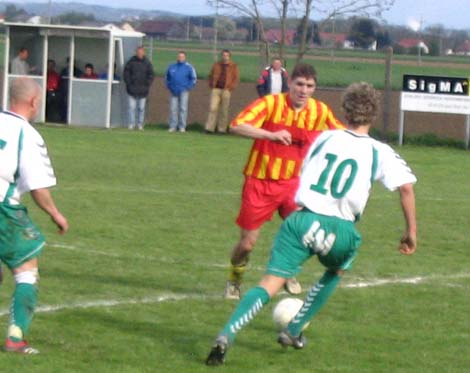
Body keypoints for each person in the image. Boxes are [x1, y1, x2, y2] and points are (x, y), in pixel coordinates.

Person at [206, 82, 418, 366]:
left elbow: (305, 170)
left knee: (270, 283)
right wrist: (410, 232)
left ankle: (226, 334)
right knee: (338, 268)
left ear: (345, 110)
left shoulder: (325, 138)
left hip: (301, 220)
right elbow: (405, 189)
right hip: (341, 229)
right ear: (375, 115)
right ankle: (294, 330)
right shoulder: (380, 151)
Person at [224, 63, 344, 301]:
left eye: (309, 86)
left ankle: (286, 272)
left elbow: (343, 136)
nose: (304, 90)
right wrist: (270, 135)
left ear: (314, 88)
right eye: (299, 84)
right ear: (290, 83)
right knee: (247, 244)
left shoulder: (320, 111)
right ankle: (235, 277)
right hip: (260, 181)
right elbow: (236, 125)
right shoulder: (271, 104)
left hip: (295, 185)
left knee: (300, 234)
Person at [0, 77, 69, 354]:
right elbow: (37, 187)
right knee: (26, 269)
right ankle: (15, 338)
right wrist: (56, 214)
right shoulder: (26, 134)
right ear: (34, 101)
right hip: (3, 207)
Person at [205, 49, 239, 134]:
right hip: (216, 89)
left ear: (229, 57)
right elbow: (210, 75)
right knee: (213, 108)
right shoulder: (216, 65)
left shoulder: (233, 66)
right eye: (224, 55)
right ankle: (209, 128)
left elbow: (236, 78)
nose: (225, 57)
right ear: (222, 56)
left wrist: (230, 88)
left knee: (224, 110)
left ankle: (222, 129)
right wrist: (211, 85)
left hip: (226, 90)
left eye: (227, 56)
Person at [123, 46, 154, 131]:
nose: (140, 54)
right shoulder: (130, 62)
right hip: (131, 90)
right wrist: (129, 84)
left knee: (141, 109)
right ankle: (131, 125)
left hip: (143, 90)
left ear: (144, 53)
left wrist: (147, 84)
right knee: (131, 108)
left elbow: (151, 75)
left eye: (141, 52)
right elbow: (126, 73)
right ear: (136, 53)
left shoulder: (147, 63)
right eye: (138, 52)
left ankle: (140, 125)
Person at [165, 51, 197, 133]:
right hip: (173, 91)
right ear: (177, 57)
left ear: (185, 57)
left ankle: (182, 127)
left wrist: (188, 87)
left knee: (183, 109)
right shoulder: (172, 66)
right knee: (173, 109)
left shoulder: (189, 67)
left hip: (184, 91)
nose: (180, 58)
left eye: (182, 56)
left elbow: (193, 79)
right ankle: (173, 126)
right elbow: (166, 78)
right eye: (179, 56)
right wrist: (169, 86)